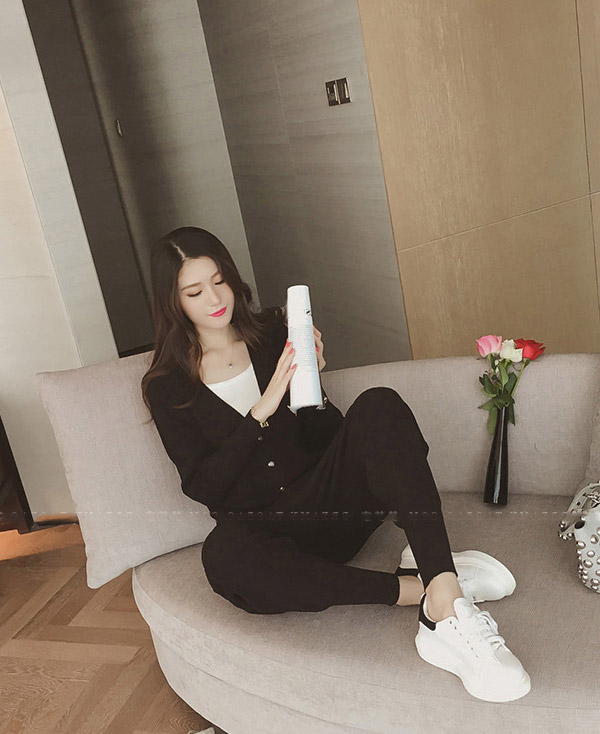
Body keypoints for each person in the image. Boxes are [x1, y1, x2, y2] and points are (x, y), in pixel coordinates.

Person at [141, 226, 531, 703]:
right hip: (268, 537)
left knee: (379, 404)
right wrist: (261, 411)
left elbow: (326, 438)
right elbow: (204, 485)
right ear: (173, 302)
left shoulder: (272, 334)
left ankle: (445, 599)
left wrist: (313, 391)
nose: (215, 299)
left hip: (331, 507)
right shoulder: (167, 386)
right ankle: (420, 588)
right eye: (195, 291)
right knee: (221, 557)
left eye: (219, 281)